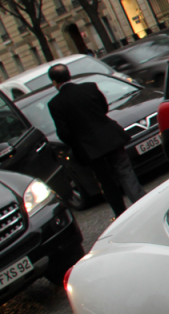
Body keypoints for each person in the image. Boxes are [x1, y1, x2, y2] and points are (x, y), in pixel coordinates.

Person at [46, 64, 143, 218]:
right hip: (111, 138)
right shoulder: (90, 87)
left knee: (106, 182)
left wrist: (77, 140)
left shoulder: (55, 104)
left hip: (89, 149)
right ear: (69, 75)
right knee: (125, 172)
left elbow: (64, 133)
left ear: (54, 82)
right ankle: (141, 204)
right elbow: (103, 108)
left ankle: (121, 215)